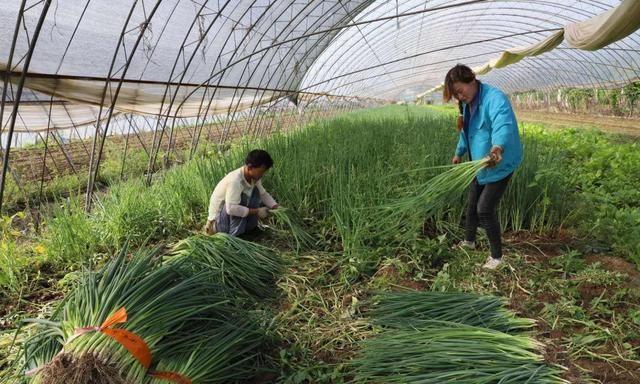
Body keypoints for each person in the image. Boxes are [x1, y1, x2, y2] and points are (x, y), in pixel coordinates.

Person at [444, 64, 522, 269]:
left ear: (472, 80)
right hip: (479, 163)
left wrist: (497, 148)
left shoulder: (494, 99)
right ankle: (469, 242)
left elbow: (503, 125)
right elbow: (466, 131)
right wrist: (458, 152)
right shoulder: (467, 103)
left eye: (460, 91)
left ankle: (497, 257)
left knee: (484, 209)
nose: (459, 97)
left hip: (499, 161)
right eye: (456, 95)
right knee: (472, 204)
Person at [205, 149, 279, 237]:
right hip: (219, 223)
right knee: (242, 199)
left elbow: (263, 194)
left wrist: (276, 206)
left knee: (256, 192)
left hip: (229, 219)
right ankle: (237, 236)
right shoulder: (235, 181)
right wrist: (257, 211)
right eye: (261, 171)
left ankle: (251, 229)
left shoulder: (254, 178)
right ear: (250, 167)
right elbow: (231, 209)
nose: (262, 174)